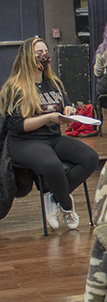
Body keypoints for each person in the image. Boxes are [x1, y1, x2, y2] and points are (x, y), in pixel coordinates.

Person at [0, 37, 99, 230]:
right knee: (52, 166)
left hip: (53, 137)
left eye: (46, 52)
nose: (44, 56)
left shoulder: (53, 83)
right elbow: (17, 125)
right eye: (39, 53)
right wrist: (47, 118)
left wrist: (68, 113)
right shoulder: (15, 87)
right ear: (28, 57)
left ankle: (53, 198)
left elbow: (61, 110)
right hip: (24, 141)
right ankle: (67, 205)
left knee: (90, 158)